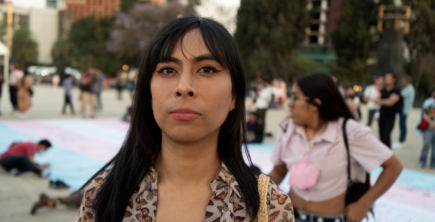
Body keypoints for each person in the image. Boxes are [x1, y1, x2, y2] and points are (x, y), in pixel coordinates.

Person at [78, 16, 294, 222]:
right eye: (168, 70)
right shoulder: (102, 194)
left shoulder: (268, 206)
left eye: (207, 69)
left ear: (234, 96)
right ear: (149, 92)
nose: (183, 87)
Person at [269, 73, 402, 222]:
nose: (289, 104)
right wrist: (256, 192)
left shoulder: (349, 131)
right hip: (290, 216)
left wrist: (363, 204)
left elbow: (393, 166)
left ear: (315, 104)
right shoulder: (288, 128)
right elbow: (279, 170)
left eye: (295, 97)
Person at [376, 73, 402, 148]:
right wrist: (385, 101)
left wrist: (382, 101)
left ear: (394, 80)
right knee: (381, 135)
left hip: (390, 117)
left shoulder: (396, 91)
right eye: (386, 78)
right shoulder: (383, 90)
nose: (386, 79)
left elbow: (391, 102)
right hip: (382, 115)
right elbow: (377, 100)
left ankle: (388, 153)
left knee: (386, 135)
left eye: (388, 78)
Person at [393, 76, 415, 149]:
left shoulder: (409, 89)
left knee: (402, 125)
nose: (402, 82)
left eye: (403, 81)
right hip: (404, 109)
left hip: (405, 110)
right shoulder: (408, 88)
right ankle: (401, 140)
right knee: (402, 125)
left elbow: (400, 95)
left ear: (406, 81)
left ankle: (402, 141)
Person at [419, 88, 435, 169]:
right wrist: (431, 123)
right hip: (429, 127)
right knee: (426, 144)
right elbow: (425, 115)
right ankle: (423, 160)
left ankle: (433, 163)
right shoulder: (430, 102)